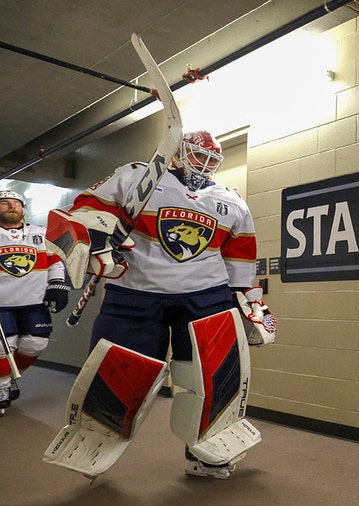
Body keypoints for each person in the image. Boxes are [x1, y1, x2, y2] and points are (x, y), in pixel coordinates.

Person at [45, 130, 274, 479]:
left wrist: (250, 303)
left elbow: (239, 257)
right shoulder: (138, 175)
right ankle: (97, 437)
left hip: (207, 295)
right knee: (123, 369)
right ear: (180, 152)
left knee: (212, 373)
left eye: (211, 160)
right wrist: (97, 244)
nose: (204, 165)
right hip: (136, 291)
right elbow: (84, 211)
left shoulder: (232, 201)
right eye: (198, 155)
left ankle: (209, 447)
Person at [0, 190, 69, 410]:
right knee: (3, 348)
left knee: (35, 345)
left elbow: (56, 261)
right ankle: (1, 388)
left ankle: (7, 377)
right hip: (2, 305)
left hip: (34, 303)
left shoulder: (42, 234)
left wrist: (58, 286)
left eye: (16, 203)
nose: (12, 207)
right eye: (5, 203)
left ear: (23, 209)